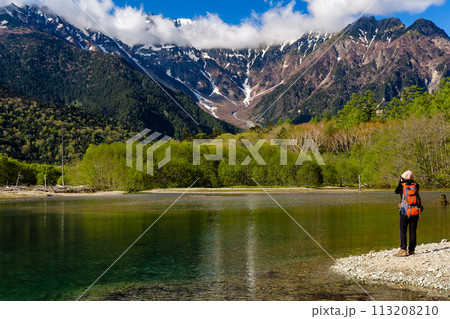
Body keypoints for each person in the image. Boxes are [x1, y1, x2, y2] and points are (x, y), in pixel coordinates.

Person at [394, 170, 423, 257]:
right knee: (413, 230)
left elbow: (396, 192)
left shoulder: (401, 186)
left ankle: (403, 249)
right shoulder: (416, 185)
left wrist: (401, 181)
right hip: (415, 211)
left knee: (403, 230)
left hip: (404, 211)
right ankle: (412, 250)